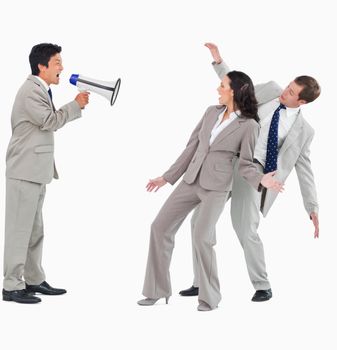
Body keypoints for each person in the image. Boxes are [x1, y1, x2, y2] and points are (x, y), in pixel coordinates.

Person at [179, 43, 320, 302]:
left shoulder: (303, 131)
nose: (284, 93)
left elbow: (305, 170)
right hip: (226, 159)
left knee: (245, 228)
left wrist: (312, 207)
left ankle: (262, 284)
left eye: (291, 93)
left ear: (301, 102)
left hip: (254, 172)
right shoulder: (271, 90)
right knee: (198, 219)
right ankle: (200, 282)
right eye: (287, 86)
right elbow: (238, 89)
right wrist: (219, 62)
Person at [138, 70, 283, 311]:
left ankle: (209, 298)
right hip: (191, 179)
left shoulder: (249, 125)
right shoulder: (210, 113)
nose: (218, 89)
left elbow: (246, 163)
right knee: (159, 227)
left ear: (234, 91)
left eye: (222, 85)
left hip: (216, 187)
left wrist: (262, 181)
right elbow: (191, 147)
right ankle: (156, 290)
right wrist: (167, 177)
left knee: (201, 237)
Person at [2, 43, 89, 304]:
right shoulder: (31, 90)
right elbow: (49, 121)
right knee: (19, 231)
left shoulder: (41, 89)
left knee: (34, 231)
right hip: (24, 171)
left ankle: (33, 279)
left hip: (35, 171)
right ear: (42, 66)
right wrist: (74, 106)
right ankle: (11, 286)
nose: (62, 67)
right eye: (57, 62)